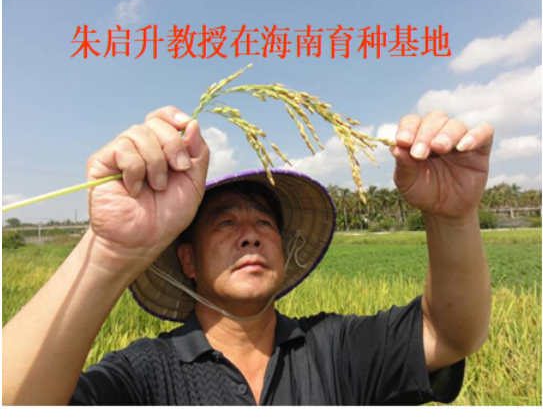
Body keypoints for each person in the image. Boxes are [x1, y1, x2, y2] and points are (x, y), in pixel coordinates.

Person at [2, 106, 493, 406]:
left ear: (283, 249)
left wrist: (452, 218)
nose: (250, 236)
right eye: (225, 223)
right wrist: (109, 250)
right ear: (188, 262)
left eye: (263, 223)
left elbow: (449, 335)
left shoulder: (334, 349)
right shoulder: (145, 375)